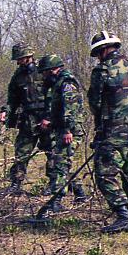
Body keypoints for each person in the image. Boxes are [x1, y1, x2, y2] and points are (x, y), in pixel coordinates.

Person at [87, 31, 128, 233]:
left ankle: (124, 215)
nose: (98, 57)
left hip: (112, 131)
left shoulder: (102, 71)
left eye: (97, 53)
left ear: (103, 50)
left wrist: (104, 120)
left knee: (105, 174)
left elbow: (94, 102)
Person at [35, 54, 87, 216]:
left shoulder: (66, 83)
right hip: (62, 129)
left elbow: (70, 109)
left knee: (59, 164)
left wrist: (66, 130)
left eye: (44, 72)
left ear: (53, 70)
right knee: (63, 163)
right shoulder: (57, 83)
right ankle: (80, 193)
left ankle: (56, 202)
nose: (43, 75)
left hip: (69, 131)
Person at [0, 43, 50, 195]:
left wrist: (51, 117)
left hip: (48, 120)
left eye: (20, 58)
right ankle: (15, 184)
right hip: (28, 121)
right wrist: (5, 112)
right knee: (21, 153)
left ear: (28, 56)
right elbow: (12, 99)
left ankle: (61, 186)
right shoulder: (18, 76)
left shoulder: (45, 70)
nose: (18, 62)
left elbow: (57, 95)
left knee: (54, 154)